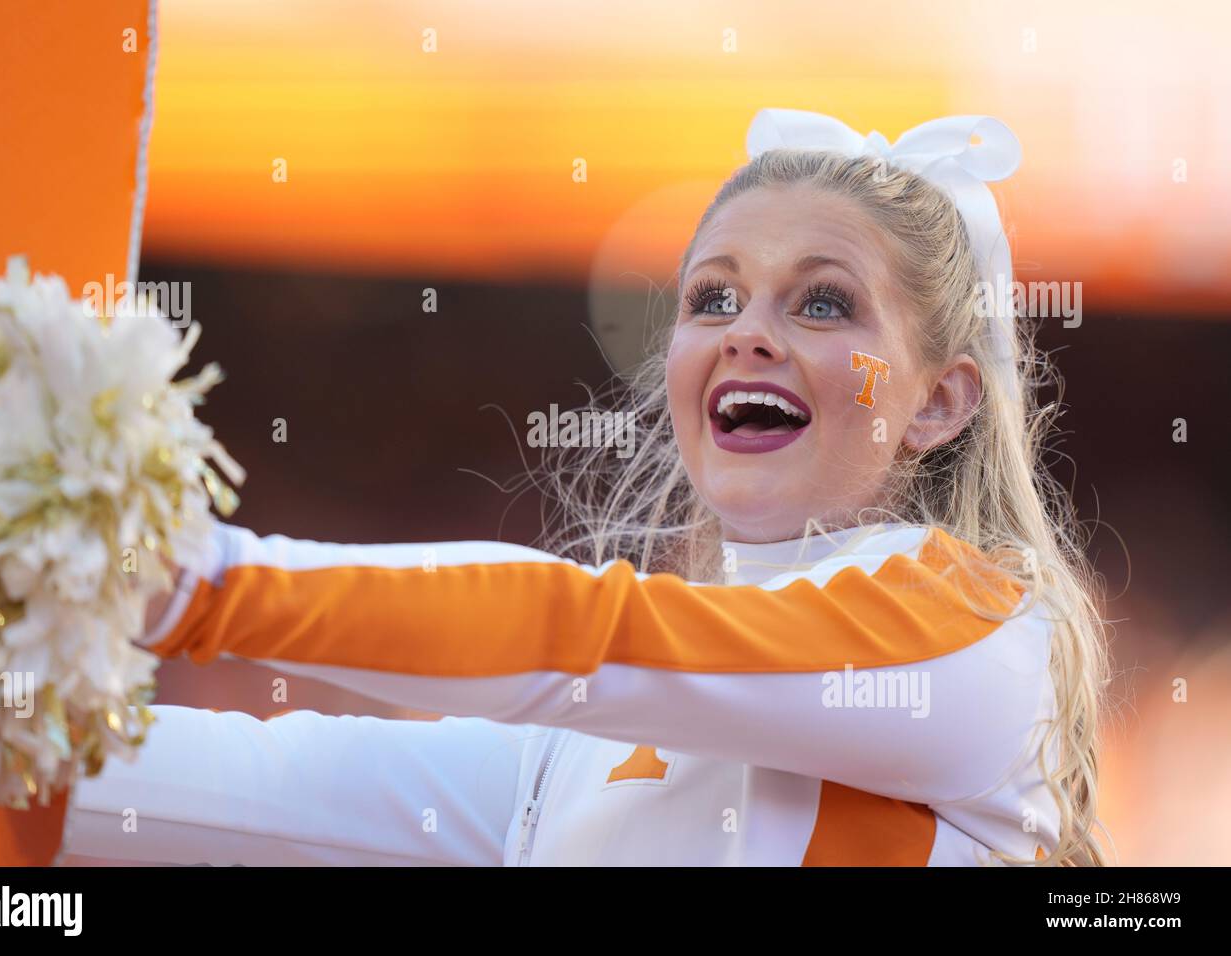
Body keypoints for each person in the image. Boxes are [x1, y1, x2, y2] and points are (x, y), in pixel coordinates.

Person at [58, 110, 1111, 867]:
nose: (747, 330)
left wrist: (197, 585)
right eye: (714, 297)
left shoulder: (973, 627)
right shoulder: (572, 757)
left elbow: (584, 636)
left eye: (824, 303)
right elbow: (250, 787)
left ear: (937, 402)